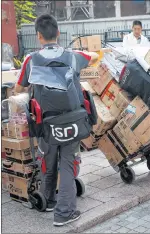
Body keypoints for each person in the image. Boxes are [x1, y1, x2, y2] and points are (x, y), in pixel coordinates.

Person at [15, 14, 98, 226]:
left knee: (48, 162)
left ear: (38, 36)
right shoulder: (73, 56)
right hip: (73, 120)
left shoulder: (31, 60)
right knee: (68, 165)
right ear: (58, 33)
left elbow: (18, 88)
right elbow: (94, 56)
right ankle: (64, 213)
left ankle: (49, 200)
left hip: (46, 123)